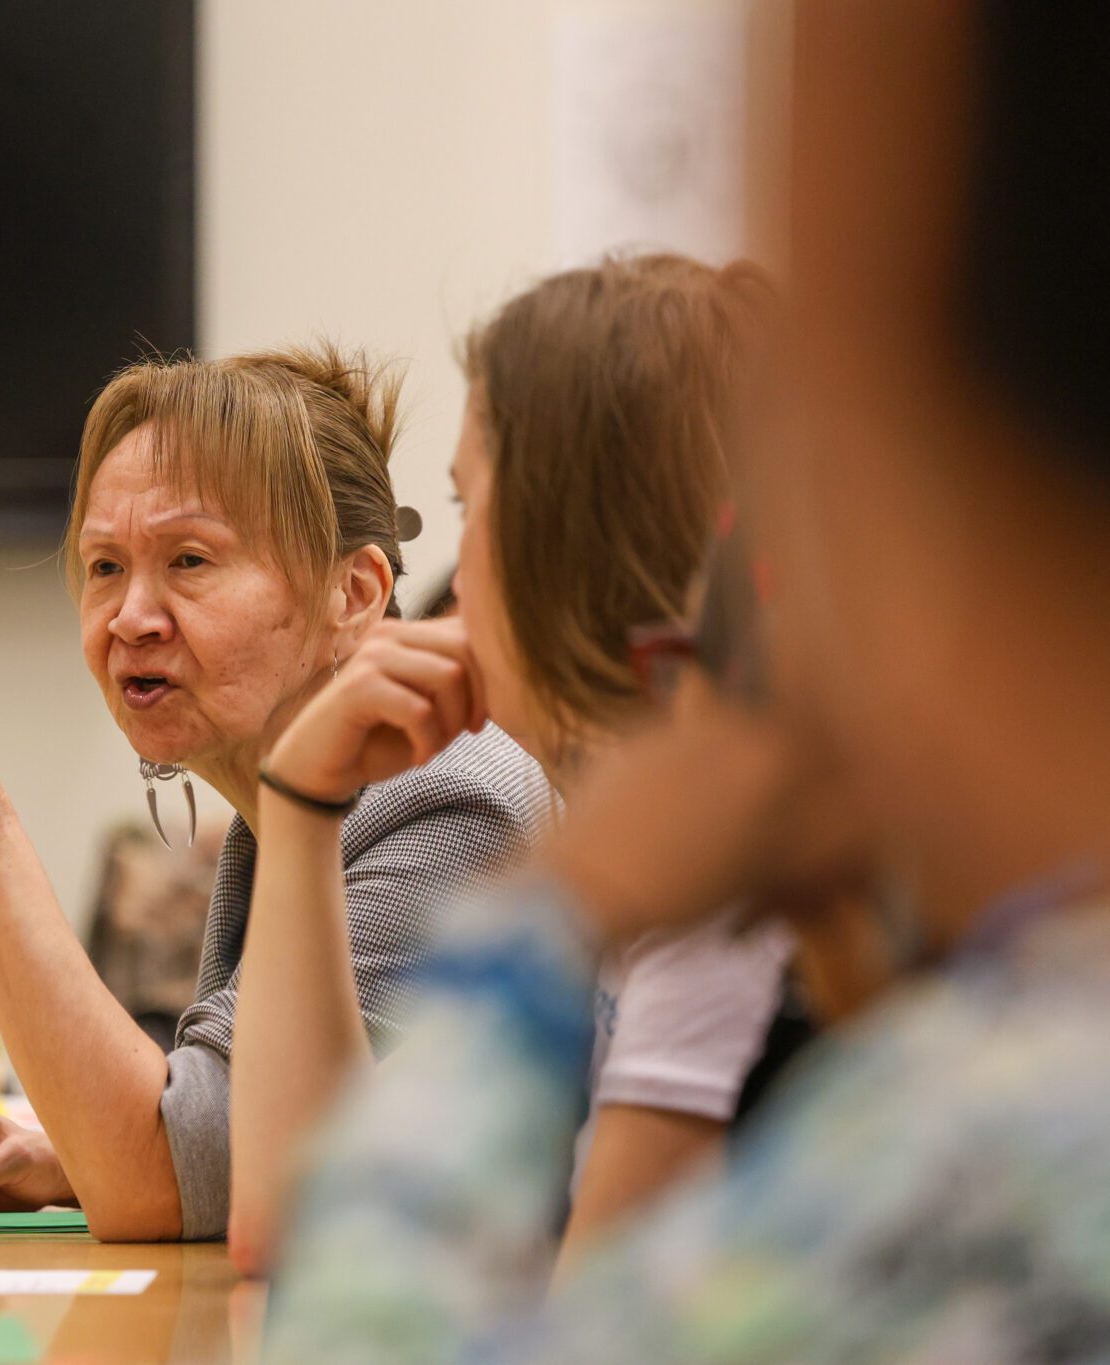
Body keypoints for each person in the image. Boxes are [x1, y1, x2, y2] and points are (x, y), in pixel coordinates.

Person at [267, 0, 1110, 1358]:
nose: (452, 576)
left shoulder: (1018, 1145)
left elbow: (342, 1308)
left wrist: (538, 932)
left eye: (468, 505)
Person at [0, 344, 544, 1242]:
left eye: (190, 560)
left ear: (354, 593)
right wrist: (67, 1154)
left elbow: (161, 1180)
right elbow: (239, 1145)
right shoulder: (283, 814)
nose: (130, 617)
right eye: (107, 566)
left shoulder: (448, 801)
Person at [228, 256, 796, 1276]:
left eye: (462, 505)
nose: (449, 580)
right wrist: (302, 807)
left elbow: (569, 1338)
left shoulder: (712, 915)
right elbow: (282, 1230)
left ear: (557, 546)